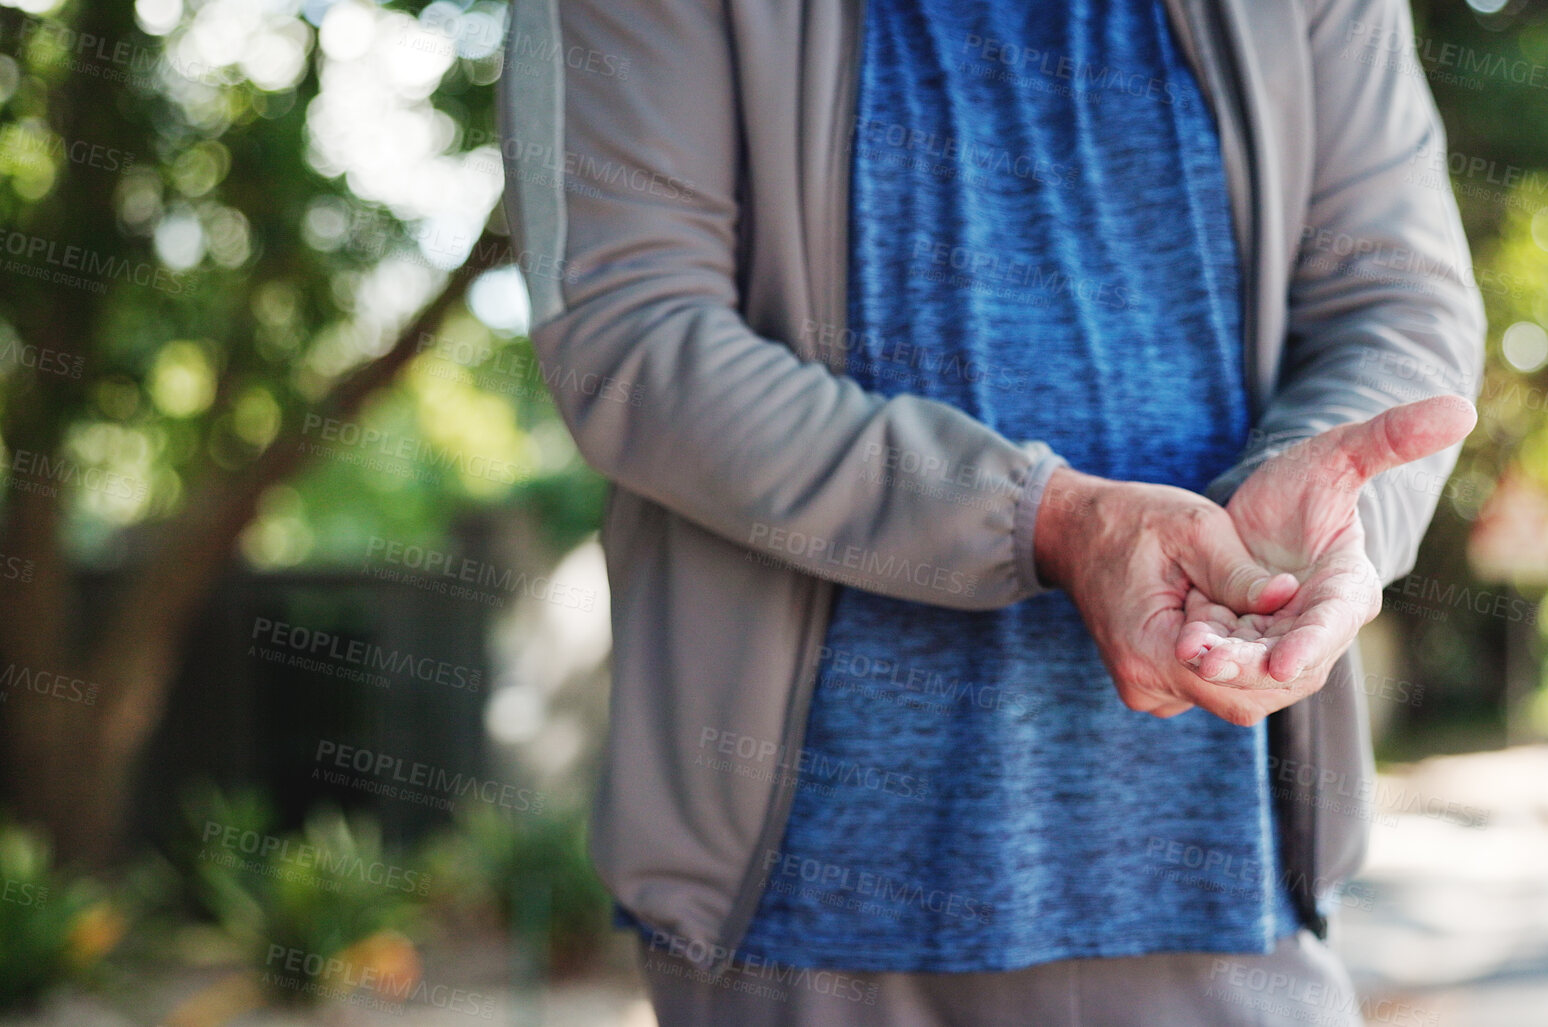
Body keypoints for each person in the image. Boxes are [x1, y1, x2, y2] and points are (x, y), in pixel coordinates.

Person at [499, 0, 1484, 1021]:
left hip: (1226, 889)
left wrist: (1314, 510)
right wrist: (1048, 520)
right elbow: (633, 343)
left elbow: (1400, 303)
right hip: (803, 913)